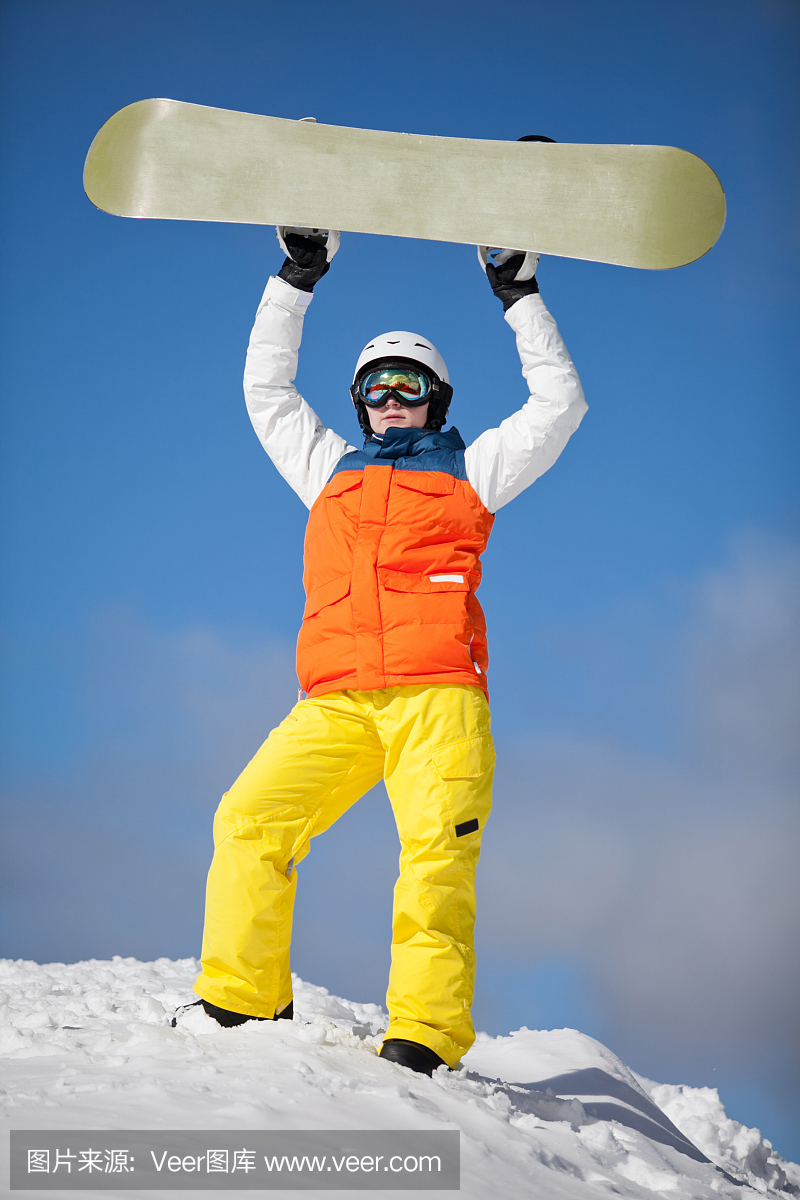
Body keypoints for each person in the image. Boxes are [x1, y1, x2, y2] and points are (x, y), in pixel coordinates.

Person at [191, 231, 587, 1075]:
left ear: (436, 398)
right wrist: (297, 277)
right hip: (333, 700)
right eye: (375, 387)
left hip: (437, 698)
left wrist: (519, 297)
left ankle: (423, 1037)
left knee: (433, 862)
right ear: (361, 401)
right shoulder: (327, 469)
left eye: (408, 385)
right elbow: (266, 389)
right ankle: (241, 999)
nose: (389, 399)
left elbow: (559, 406)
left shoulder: (474, 469)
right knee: (250, 819)